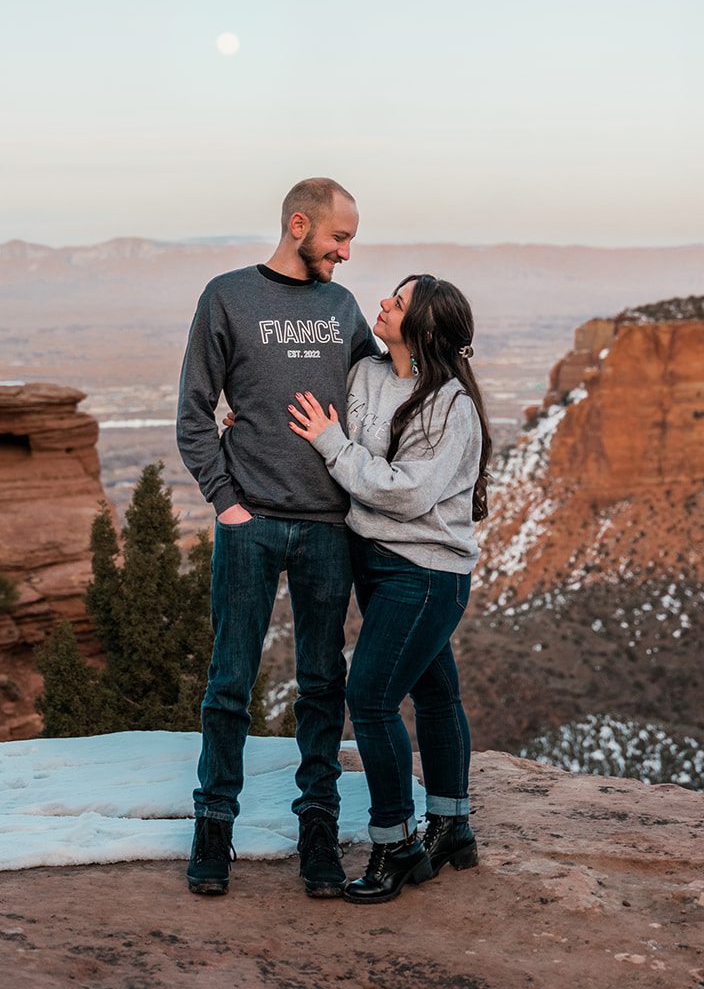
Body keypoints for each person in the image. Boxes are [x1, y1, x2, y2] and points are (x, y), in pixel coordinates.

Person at [177, 177, 381, 898]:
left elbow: (380, 387)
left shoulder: (342, 307)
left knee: (325, 686)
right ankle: (213, 828)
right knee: (229, 683)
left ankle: (317, 833)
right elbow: (194, 411)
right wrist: (226, 503)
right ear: (300, 225)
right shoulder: (227, 296)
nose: (347, 253)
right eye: (339, 237)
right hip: (252, 523)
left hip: (329, 528)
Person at [287, 273, 491, 904]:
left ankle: (397, 844)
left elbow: (405, 491)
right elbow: (324, 410)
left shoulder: (451, 405)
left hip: (426, 572)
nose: (382, 303)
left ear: (422, 327)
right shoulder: (369, 374)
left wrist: (330, 445)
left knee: (371, 698)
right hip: (376, 562)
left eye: (397, 303)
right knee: (434, 693)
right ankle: (452, 825)